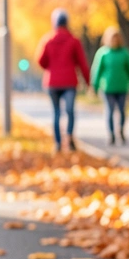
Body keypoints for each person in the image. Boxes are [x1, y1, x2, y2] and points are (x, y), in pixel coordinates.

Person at [35, 9, 90, 152]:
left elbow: (41, 61)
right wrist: (88, 82)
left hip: (52, 82)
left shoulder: (48, 40)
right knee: (70, 111)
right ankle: (69, 136)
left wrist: (51, 67)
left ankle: (58, 143)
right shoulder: (74, 41)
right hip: (69, 81)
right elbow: (82, 63)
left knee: (56, 112)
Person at [90, 26, 129, 145]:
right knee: (110, 110)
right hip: (108, 88)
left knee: (122, 110)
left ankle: (121, 129)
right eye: (112, 38)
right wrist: (94, 86)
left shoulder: (125, 53)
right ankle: (111, 134)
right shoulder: (103, 53)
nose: (114, 41)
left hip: (122, 87)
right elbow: (97, 71)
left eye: (116, 38)